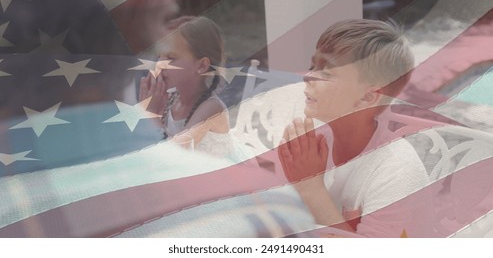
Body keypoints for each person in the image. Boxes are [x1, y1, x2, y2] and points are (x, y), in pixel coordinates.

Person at [278, 19, 434, 237]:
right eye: (314, 66)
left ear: (367, 97)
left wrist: (310, 188)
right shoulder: (315, 144)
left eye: (327, 73)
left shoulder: (397, 169)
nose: (308, 75)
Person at [139, 16, 251, 161]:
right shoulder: (171, 99)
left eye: (171, 58)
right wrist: (153, 111)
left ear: (202, 66)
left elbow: (178, 156)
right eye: (159, 56)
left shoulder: (211, 108)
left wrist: (150, 114)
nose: (160, 64)